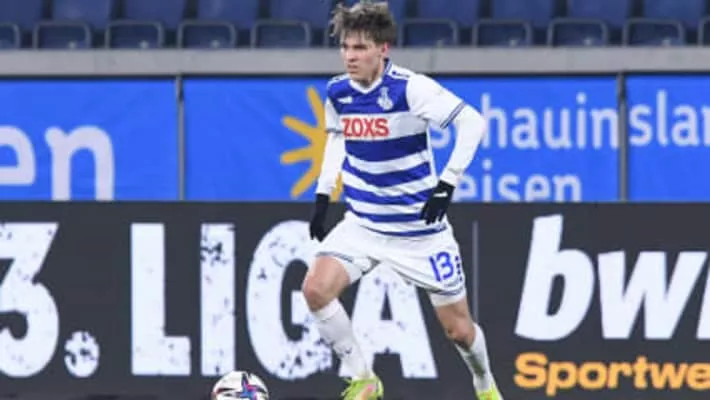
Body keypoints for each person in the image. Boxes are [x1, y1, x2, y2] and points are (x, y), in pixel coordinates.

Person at [301, 2, 503, 399]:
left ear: (383, 49)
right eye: (345, 47)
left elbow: (473, 123)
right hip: (363, 225)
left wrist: (447, 184)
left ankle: (485, 385)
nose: (350, 56)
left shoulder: (410, 88)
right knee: (315, 289)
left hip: (419, 234)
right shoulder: (338, 91)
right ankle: (363, 379)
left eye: (360, 48)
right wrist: (324, 193)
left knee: (459, 332)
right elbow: (338, 137)